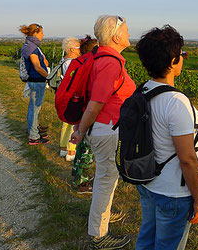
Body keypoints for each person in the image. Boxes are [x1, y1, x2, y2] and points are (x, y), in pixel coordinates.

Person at [134, 25, 198, 250]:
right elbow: (188, 159)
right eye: (182, 54)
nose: (183, 59)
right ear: (173, 62)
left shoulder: (141, 91)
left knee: (147, 237)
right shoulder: (176, 102)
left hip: (147, 182)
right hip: (173, 191)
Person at [69, 16, 136, 250]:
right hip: (107, 128)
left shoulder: (105, 58)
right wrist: (80, 131)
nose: (129, 34)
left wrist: (82, 129)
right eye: (126, 31)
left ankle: (102, 218)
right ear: (116, 36)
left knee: (106, 179)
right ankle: (99, 234)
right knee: (106, 181)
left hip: (105, 128)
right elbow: (96, 102)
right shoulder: (110, 62)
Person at [71, 35, 98, 194]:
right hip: (89, 115)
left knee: (82, 147)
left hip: (81, 113)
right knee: (87, 151)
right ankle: (82, 183)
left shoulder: (82, 65)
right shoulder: (92, 67)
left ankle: (76, 173)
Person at [20, 23, 50, 145]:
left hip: (36, 81)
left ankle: (33, 132)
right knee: (34, 109)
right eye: (41, 32)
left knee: (33, 108)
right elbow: (37, 67)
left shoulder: (30, 45)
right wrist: (49, 77)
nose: (43, 34)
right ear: (35, 33)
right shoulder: (32, 48)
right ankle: (33, 136)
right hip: (37, 81)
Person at [58, 37, 81, 161]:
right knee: (73, 122)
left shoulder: (63, 60)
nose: (80, 50)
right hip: (71, 97)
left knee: (66, 123)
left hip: (64, 95)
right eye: (78, 48)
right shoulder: (72, 63)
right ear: (72, 49)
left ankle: (63, 148)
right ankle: (71, 151)